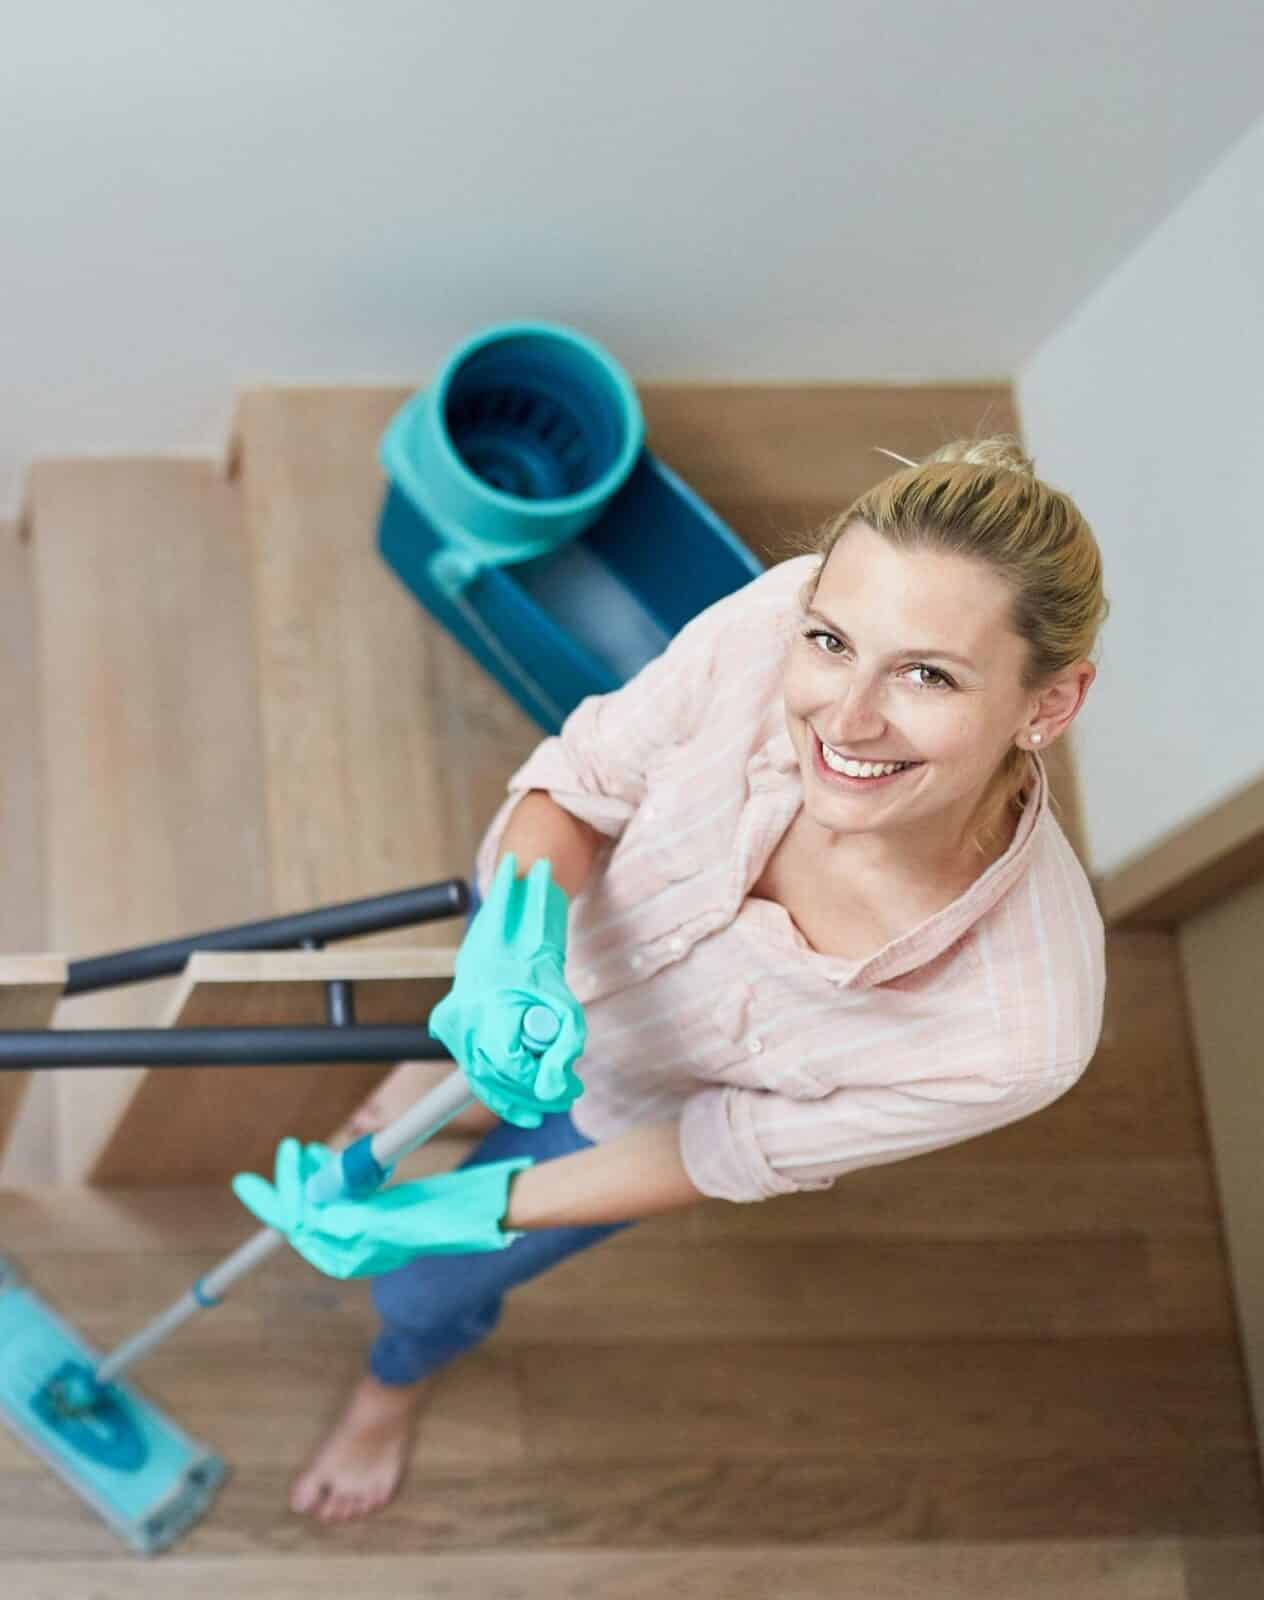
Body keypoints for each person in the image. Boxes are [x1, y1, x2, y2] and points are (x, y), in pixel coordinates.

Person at [249, 436, 1109, 1526]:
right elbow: (585, 781)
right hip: (553, 955)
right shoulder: (781, 611)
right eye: (835, 644)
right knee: (452, 1060)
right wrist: (513, 948)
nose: (846, 720)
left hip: (632, 1113)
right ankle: (431, 1086)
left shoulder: (1015, 1034)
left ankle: (392, 1388)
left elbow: (726, 1147)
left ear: (1049, 704)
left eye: (928, 674)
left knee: (426, 1285)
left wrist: (463, 1212)